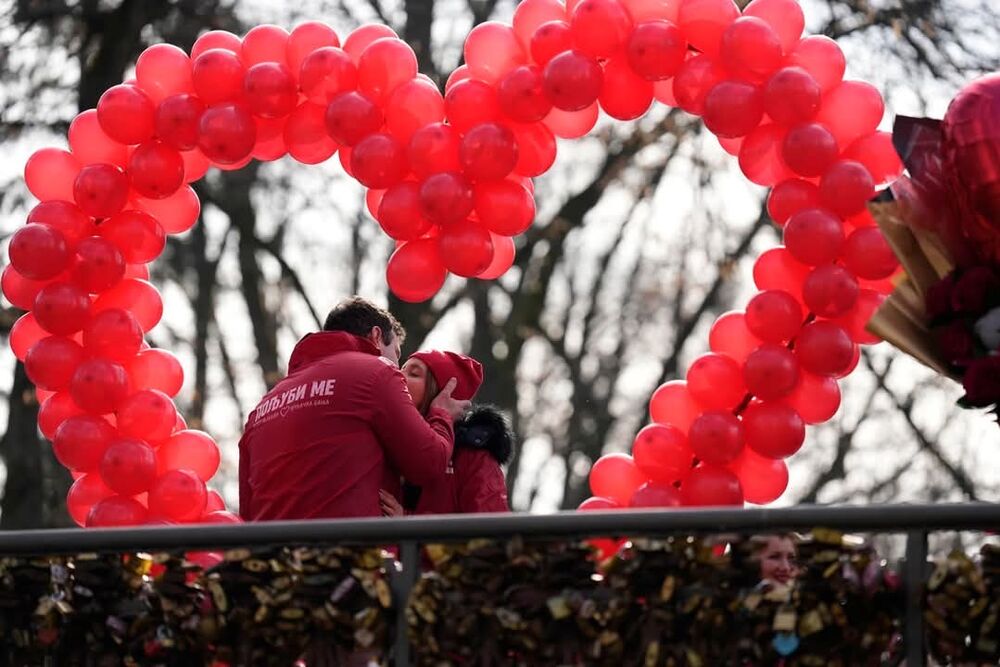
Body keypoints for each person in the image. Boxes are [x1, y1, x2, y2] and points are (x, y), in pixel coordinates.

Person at [238, 297, 470, 521]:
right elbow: (429, 462)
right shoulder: (377, 372)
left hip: (272, 557)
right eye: (397, 355)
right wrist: (442, 415)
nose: (399, 371)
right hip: (352, 555)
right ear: (377, 336)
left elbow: (247, 511)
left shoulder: (262, 406)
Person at [379, 350, 513, 516]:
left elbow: (490, 530)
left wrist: (407, 522)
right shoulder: (385, 440)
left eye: (413, 374)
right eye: (401, 368)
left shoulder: (473, 456)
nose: (398, 375)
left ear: (442, 394)